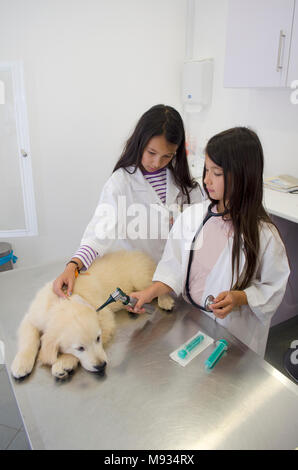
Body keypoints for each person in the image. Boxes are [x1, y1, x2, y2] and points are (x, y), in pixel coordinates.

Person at [127, 127, 290, 357]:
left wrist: (240, 297)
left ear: (243, 175)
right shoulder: (192, 217)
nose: (206, 179)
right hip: (192, 324)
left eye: (217, 173)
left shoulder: (264, 236)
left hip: (234, 338)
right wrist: (149, 292)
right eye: (206, 170)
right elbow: (173, 266)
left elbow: (273, 288)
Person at [53, 104, 204, 299]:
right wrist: (72, 267)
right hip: (137, 283)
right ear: (139, 143)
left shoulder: (186, 187)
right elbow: (99, 234)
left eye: (167, 156)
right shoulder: (121, 182)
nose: (157, 162)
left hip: (176, 284)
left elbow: (197, 239)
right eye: (151, 153)